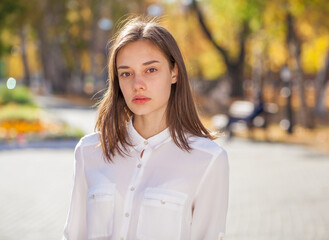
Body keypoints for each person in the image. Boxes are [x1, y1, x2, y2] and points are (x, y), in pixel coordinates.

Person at [62, 16, 229, 240]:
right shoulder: (89, 151)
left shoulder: (208, 160)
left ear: (174, 72)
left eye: (150, 70)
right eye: (126, 73)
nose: (137, 84)